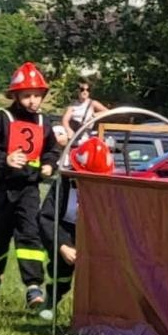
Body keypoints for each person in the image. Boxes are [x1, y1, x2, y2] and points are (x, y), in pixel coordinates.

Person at [0, 61, 60, 310]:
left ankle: (34, 287)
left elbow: (52, 149)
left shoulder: (45, 122)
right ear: (15, 95)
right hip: (2, 190)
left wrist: (49, 165)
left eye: (37, 95)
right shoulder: (1, 118)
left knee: (30, 234)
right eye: (26, 96)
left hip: (29, 189)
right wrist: (4, 159)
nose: (32, 101)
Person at [38, 135, 113, 321]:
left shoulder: (111, 189)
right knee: (60, 273)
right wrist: (62, 245)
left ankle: (94, 314)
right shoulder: (63, 184)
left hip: (95, 237)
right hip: (66, 234)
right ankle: (52, 300)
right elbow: (46, 217)